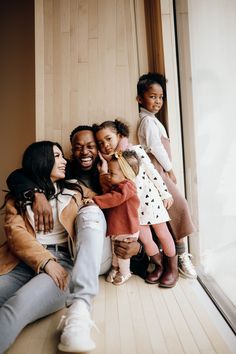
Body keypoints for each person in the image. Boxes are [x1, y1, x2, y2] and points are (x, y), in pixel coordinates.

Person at [0, 141, 112, 353]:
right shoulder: (18, 198)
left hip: (61, 265)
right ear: (42, 160)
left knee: (16, 305)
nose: (64, 161)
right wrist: (44, 260)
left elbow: (109, 202)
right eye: (57, 156)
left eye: (62, 156)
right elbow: (15, 234)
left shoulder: (76, 190)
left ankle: (80, 310)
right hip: (20, 262)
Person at [93, 120, 179, 288]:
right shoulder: (110, 163)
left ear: (119, 135)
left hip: (150, 201)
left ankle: (173, 268)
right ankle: (159, 266)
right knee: (146, 239)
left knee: (162, 233)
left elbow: (153, 173)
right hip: (133, 209)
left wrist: (165, 193)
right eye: (101, 143)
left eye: (108, 139)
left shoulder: (135, 151)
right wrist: (103, 167)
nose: (106, 145)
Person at [136, 72, 197, 279]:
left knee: (171, 211)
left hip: (159, 169)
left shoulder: (152, 120)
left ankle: (177, 254)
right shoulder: (147, 122)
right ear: (140, 99)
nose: (158, 101)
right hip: (157, 170)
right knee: (178, 206)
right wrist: (169, 168)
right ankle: (179, 256)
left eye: (160, 97)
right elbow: (155, 147)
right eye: (153, 96)